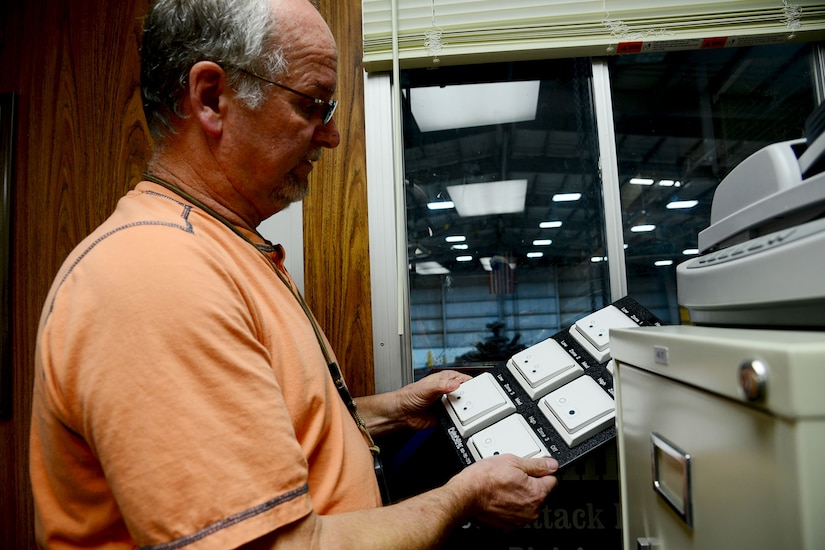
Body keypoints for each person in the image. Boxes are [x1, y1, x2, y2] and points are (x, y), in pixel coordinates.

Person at [28, 0, 559, 547]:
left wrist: (391, 413)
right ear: (212, 98)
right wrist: (462, 496)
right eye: (312, 105)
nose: (329, 136)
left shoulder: (220, 246)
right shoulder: (156, 274)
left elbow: (272, 429)